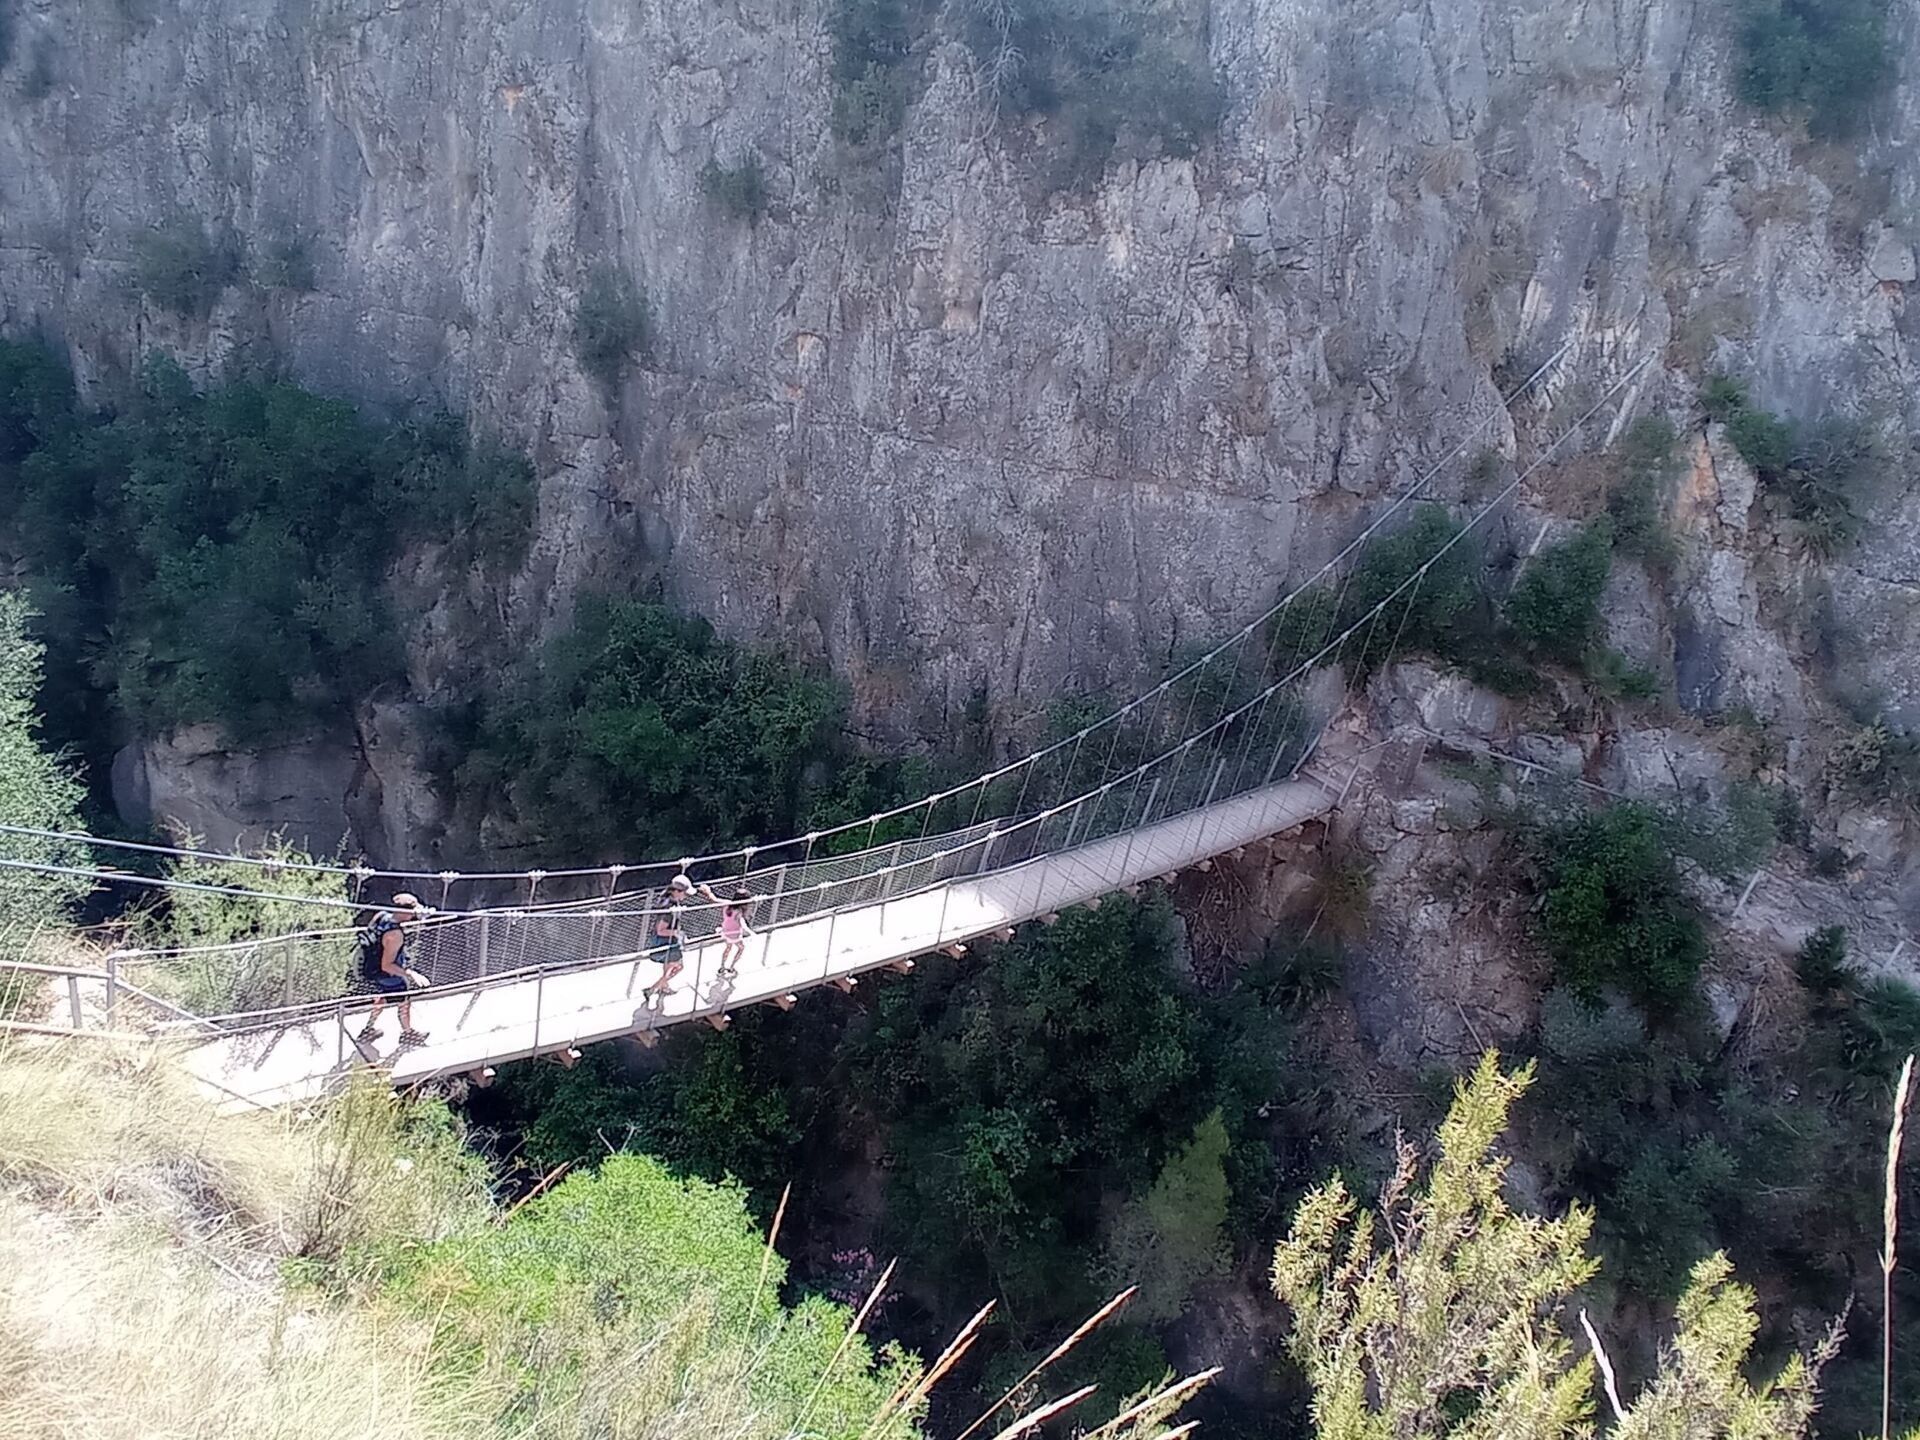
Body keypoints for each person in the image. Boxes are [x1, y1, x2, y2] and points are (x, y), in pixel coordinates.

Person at [356, 892, 431, 1047]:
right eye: (412, 911)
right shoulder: (395, 934)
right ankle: (408, 1034)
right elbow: (387, 964)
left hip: (371, 968)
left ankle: (368, 1029)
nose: (414, 914)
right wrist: (410, 974)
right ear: (405, 911)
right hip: (388, 974)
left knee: (381, 999)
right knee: (404, 1002)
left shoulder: (381, 916)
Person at [643, 872, 719, 1003]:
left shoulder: (666, 899)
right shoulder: (669, 910)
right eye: (685, 893)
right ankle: (652, 989)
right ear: (677, 891)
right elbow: (661, 930)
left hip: (666, 941)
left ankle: (664, 987)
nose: (686, 896)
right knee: (679, 966)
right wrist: (678, 933)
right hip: (666, 941)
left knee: (668, 965)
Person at [716, 888, 756, 979]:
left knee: (728, 948)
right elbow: (742, 923)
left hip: (726, 931)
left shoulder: (726, 905)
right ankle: (731, 967)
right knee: (741, 948)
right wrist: (750, 932)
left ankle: (722, 966)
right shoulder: (739, 911)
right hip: (735, 933)